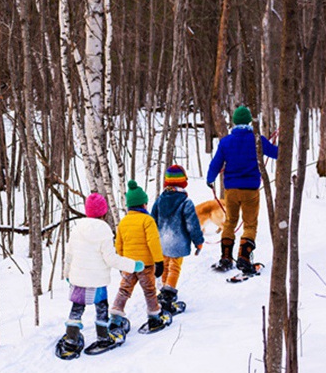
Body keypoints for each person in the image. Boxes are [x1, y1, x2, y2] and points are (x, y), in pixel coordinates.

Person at [61, 192, 144, 355]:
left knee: (77, 307)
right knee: (101, 309)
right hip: (96, 280)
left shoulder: (77, 229)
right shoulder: (104, 231)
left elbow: (69, 254)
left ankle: (71, 339)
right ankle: (103, 338)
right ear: (104, 213)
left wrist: (67, 273)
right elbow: (111, 259)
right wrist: (134, 265)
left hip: (78, 278)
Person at [206, 105, 278, 274]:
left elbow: (216, 163)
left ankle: (225, 257)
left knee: (230, 222)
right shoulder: (257, 139)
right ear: (249, 122)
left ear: (234, 122)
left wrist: (210, 179)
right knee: (250, 224)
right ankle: (244, 258)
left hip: (231, 190)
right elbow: (276, 153)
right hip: (251, 190)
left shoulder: (226, 142)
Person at [109, 180, 171, 333]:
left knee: (124, 290)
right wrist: (159, 262)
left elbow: (119, 245)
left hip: (129, 265)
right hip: (145, 265)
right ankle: (154, 317)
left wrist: (122, 263)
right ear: (143, 205)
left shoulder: (123, 222)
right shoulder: (147, 220)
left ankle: (116, 318)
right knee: (149, 291)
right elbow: (153, 242)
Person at [150, 165, 204, 313]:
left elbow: (152, 220)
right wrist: (198, 242)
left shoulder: (160, 200)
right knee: (175, 267)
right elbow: (192, 225)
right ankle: (167, 295)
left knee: (166, 265)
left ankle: (163, 290)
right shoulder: (186, 202)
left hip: (162, 241)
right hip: (177, 242)